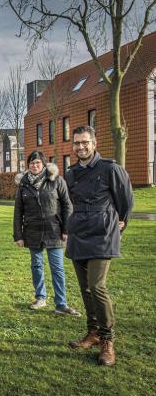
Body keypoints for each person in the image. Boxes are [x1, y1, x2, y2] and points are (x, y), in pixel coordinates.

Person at [65, 126, 134, 367]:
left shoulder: (110, 169)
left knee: (97, 286)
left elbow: (126, 201)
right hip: (78, 233)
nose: (80, 147)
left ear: (94, 143)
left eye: (85, 142)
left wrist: (118, 226)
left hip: (103, 234)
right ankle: (92, 332)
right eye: (76, 143)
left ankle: (107, 340)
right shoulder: (71, 173)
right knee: (85, 288)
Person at [13, 151, 80, 316]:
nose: (34, 166)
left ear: (43, 164)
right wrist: (18, 235)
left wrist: (66, 229)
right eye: (31, 163)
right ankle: (40, 298)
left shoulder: (56, 180)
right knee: (36, 266)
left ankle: (61, 303)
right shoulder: (23, 185)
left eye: (37, 163)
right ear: (27, 165)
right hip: (32, 231)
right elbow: (18, 211)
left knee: (57, 268)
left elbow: (67, 206)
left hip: (54, 231)